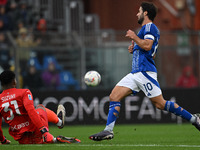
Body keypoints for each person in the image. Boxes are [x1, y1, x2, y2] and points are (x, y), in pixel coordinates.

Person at [89, 2, 200, 141]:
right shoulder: (146, 30)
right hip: (136, 73)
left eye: (139, 11)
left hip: (145, 73)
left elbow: (148, 46)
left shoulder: (149, 27)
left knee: (161, 104)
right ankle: (108, 131)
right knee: (114, 96)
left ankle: (194, 119)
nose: (137, 13)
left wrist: (134, 37)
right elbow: (150, 52)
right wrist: (134, 49)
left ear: (146, 13)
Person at [0, 70, 80, 144]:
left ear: (2, 84)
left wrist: (3, 140)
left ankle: (54, 139)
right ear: (14, 82)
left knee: (33, 137)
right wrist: (44, 131)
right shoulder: (24, 92)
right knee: (40, 108)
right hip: (37, 132)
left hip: (23, 140)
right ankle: (59, 122)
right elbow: (31, 111)